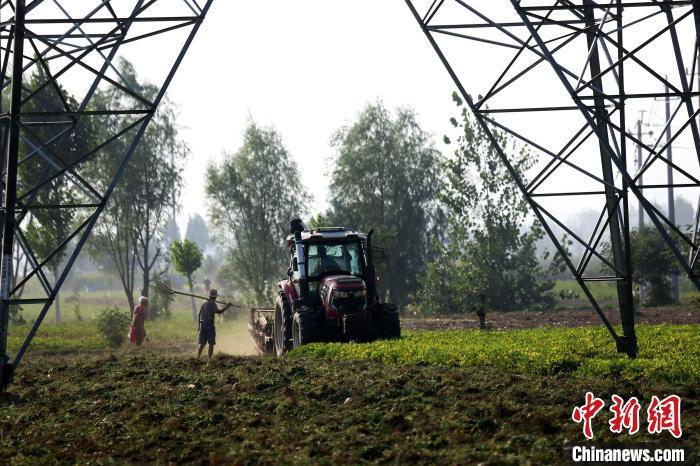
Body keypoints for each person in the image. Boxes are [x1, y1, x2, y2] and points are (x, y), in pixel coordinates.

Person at [197, 289, 232, 360]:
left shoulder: (203, 302)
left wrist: (199, 325)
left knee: (202, 343)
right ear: (215, 297)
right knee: (211, 343)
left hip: (202, 324)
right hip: (209, 325)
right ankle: (209, 359)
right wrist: (227, 306)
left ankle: (197, 357)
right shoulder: (212, 303)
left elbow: (199, 314)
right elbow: (219, 312)